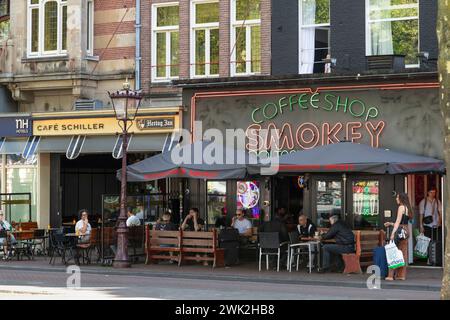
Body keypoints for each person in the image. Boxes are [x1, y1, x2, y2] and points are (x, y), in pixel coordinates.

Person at [384, 192, 413, 281]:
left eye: (397, 198)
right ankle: (401, 275)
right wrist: (390, 223)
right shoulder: (408, 208)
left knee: (393, 252)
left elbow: (398, 222)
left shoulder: (401, 207)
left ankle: (390, 275)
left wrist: (392, 233)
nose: (396, 199)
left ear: (401, 199)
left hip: (399, 231)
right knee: (403, 253)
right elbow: (403, 222)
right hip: (406, 230)